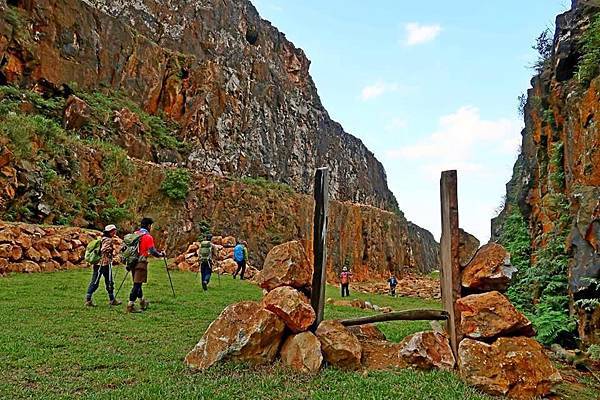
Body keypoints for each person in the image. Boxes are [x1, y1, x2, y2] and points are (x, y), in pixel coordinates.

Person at [127, 217, 165, 313]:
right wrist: (161, 255)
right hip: (141, 262)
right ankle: (130, 305)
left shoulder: (135, 234)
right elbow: (152, 251)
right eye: (150, 226)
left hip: (132, 262)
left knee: (137, 283)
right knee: (137, 284)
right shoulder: (148, 237)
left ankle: (142, 302)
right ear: (148, 226)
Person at [85, 225, 122, 306]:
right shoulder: (108, 240)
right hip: (103, 264)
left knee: (106, 281)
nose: (114, 232)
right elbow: (103, 250)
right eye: (112, 231)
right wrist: (112, 249)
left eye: (114, 230)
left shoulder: (102, 238)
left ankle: (111, 299)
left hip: (101, 263)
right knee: (98, 282)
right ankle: (89, 300)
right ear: (108, 232)